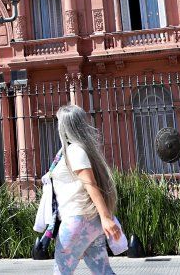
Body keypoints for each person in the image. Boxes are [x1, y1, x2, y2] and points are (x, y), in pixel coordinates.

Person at [49, 104, 122, 275]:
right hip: (89, 221)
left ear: (65, 126)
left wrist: (106, 217)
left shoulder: (75, 151)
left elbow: (90, 184)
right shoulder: (75, 150)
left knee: (61, 270)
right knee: (102, 270)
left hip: (76, 220)